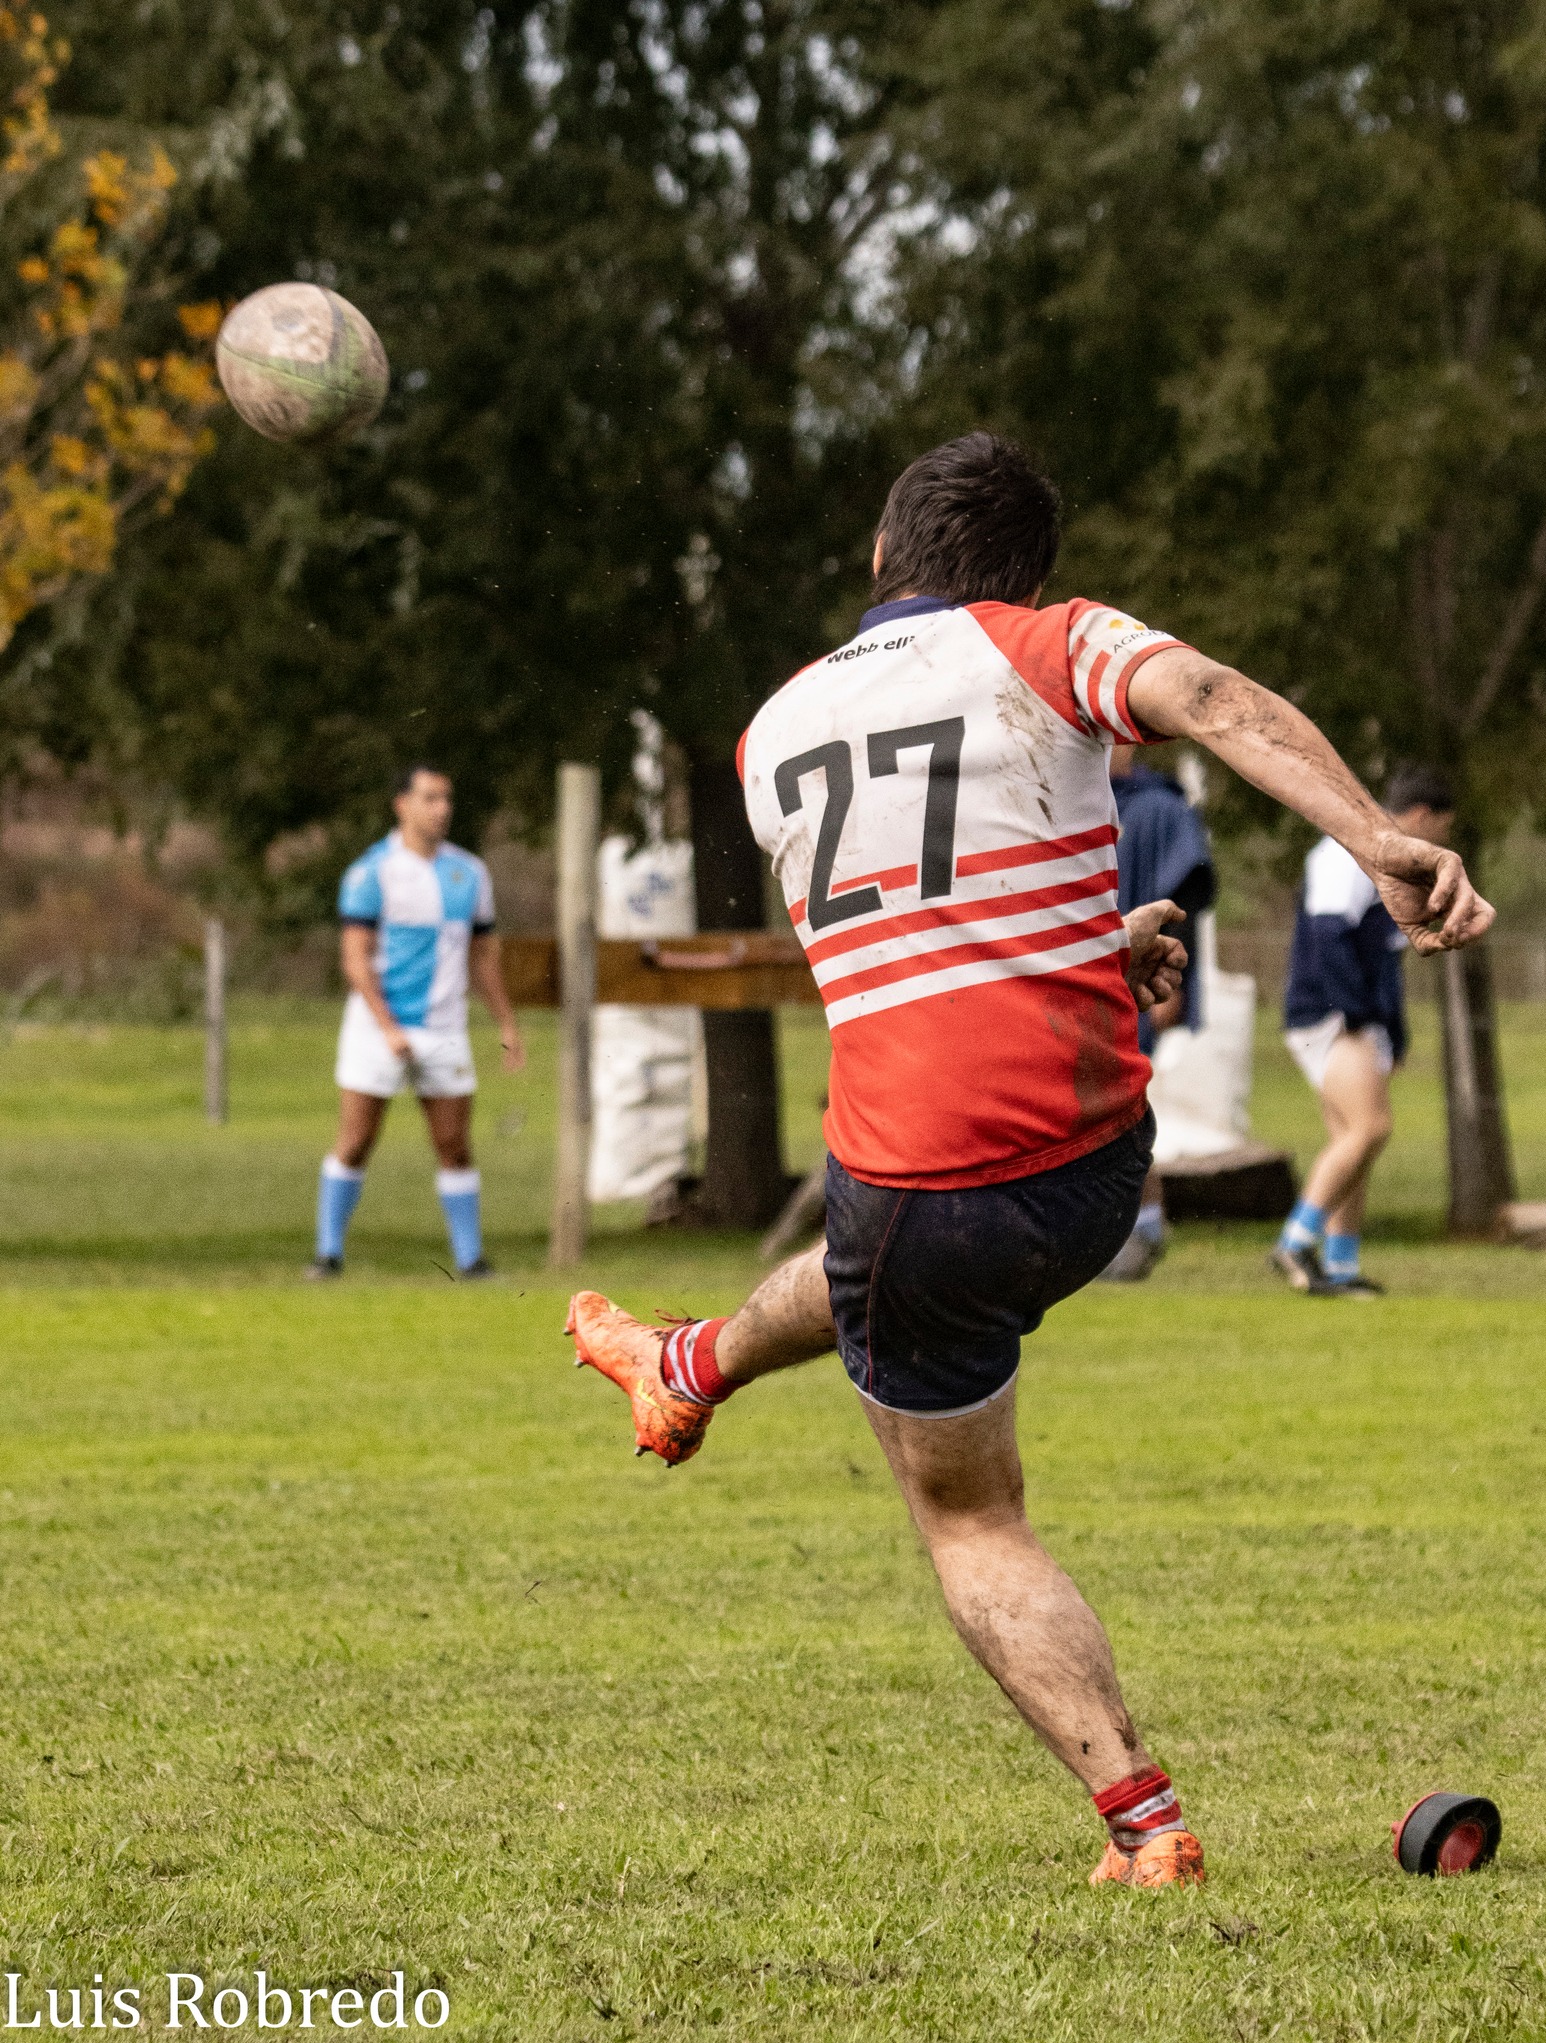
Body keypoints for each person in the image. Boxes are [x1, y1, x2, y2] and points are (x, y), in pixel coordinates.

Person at [565, 435, 1492, 1890]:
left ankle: (1144, 1824)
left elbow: (890, 942)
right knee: (876, 1276)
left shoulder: (767, 736)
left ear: (882, 556)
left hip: (923, 1175)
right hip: (1094, 1169)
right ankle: (684, 1369)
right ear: (1029, 574)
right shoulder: (1052, 644)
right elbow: (1209, 700)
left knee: (967, 1507)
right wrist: (1371, 839)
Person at [308, 766, 523, 1280]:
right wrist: (387, 1028)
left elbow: (483, 957)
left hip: (445, 1028)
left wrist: (505, 1024)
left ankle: (471, 1260)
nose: (442, 808)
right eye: (430, 798)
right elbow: (355, 961)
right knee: (357, 1140)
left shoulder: (469, 873)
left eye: (446, 798)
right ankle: (328, 1253)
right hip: (376, 1029)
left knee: (453, 1143)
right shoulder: (372, 872)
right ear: (401, 805)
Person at [1271, 765, 1456, 1298]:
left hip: (1360, 1018)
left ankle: (1340, 1266)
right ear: (1422, 815)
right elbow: (1329, 937)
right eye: (1442, 827)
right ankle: (1294, 1240)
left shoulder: (1394, 868)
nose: (1442, 840)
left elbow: (1385, 959)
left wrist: (1393, 1033)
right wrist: (1354, 1016)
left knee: (1352, 1141)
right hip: (1329, 1015)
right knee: (1370, 1128)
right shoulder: (1344, 853)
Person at [1099, 747, 1216, 1279]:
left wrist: (1175, 984)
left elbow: (1184, 894)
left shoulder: (1159, 807)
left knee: (1122, 1099)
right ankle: (1123, 1226)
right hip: (1083, 980)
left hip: (1142, 981)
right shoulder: (1079, 802)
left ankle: (1143, 1223)